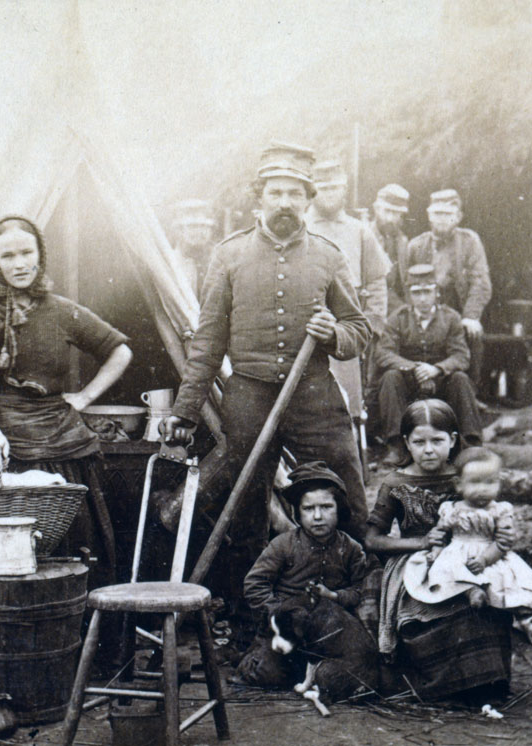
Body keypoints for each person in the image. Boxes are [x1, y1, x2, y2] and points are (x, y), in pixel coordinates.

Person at [161, 141, 371, 588]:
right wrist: (184, 410)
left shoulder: (329, 255)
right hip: (250, 397)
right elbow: (208, 341)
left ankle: (359, 595)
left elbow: (360, 330)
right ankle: (248, 617)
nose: (285, 203)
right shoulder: (229, 255)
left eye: (295, 194)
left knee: (346, 486)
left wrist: (334, 333)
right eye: (275, 193)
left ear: (308, 200)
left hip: (314, 393)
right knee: (243, 505)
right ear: (259, 198)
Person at [0, 216, 133, 582]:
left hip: (61, 445)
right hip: (6, 444)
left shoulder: (60, 310)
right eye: (7, 255)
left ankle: (76, 631)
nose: (19, 263)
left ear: (41, 254)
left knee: (76, 546)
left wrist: (85, 397)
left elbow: (119, 351)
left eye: (27, 252)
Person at [364, 400, 511, 699]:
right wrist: (419, 543)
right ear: (406, 442)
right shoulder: (396, 482)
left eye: (437, 441)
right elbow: (372, 539)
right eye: (419, 442)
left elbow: (492, 515)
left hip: (469, 555)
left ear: (453, 440)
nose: (428, 449)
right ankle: (441, 686)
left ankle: (487, 682)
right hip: (413, 562)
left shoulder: (466, 475)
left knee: (483, 601)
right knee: (434, 609)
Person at [408, 448, 532, 647]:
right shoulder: (452, 509)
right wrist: (435, 552)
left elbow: (503, 542)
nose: (483, 489)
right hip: (457, 552)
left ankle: (498, 602)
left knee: (504, 582)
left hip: (489, 554)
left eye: (490, 482)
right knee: (441, 571)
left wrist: (485, 559)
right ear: (459, 485)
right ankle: (471, 592)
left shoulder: (499, 510)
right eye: (475, 482)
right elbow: (441, 534)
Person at [234, 462, 369, 688]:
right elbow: (255, 583)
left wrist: (336, 597)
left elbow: (359, 590)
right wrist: (278, 614)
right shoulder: (283, 545)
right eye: (308, 509)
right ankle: (253, 659)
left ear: (340, 509)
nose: (317, 516)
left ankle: (313, 673)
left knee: (345, 676)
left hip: (328, 634)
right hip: (285, 632)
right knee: (268, 675)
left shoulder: (351, 549)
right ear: (298, 512)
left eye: (326, 507)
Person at [305, 160, 391, 422]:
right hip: (307, 323)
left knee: (347, 404)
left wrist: (372, 326)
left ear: (344, 191)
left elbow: (376, 281)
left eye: (335, 188)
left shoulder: (359, 231)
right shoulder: (300, 227)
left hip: (346, 327)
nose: (329, 194)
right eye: (323, 188)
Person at [375, 264, 482, 464]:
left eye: (427, 292)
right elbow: (383, 353)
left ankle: (471, 444)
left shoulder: (451, 318)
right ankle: (397, 446)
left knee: (460, 379)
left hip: (442, 381)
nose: (422, 299)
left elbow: (461, 356)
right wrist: (414, 368)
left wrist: (436, 369)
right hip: (408, 381)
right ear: (409, 295)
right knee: (390, 378)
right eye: (417, 293)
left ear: (436, 293)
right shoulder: (398, 319)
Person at [406, 189, 492, 383]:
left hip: (458, 310)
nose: (442, 219)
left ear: (458, 217)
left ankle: (469, 391)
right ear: (429, 215)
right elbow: (406, 285)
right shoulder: (416, 245)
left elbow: (480, 281)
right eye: (437, 214)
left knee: (472, 334)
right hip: (423, 309)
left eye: (447, 214)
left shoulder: (470, 242)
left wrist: (471, 316)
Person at [369, 183, 411, 313]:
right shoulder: (364, 236)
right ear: (376, 209)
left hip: (394, 305)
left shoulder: (402, 241)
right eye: (387, 211)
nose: (390, 218)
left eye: (396, 213)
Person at [172, 198, 216, 300]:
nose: (199, 232)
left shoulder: (218, 262)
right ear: (179, 231)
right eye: (192, 227)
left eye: (204, 226)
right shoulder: (172, 264)